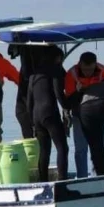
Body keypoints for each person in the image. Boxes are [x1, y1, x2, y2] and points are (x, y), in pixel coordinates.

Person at [64, 51, 104, 177]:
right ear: (80, 65)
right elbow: (68, 101)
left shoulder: (102, 70)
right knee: (80, 149)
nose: (88, 73)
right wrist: (78, 92)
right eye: (85, 70)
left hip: (97, 115)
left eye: (90, 69)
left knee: (98, 146)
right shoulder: (71, 74)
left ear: (95, 64)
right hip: (79, 115)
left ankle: (99, 175)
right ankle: (82, 177)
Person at [27, 46, 69, 181]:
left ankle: (43, 182)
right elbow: (58, 93)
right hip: (50, 112)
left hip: (36, 115)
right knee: (62, 148)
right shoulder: (56, 70)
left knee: (44, 151)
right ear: (57, 58)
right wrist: (67, 107)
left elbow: (29, 101)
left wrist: (32, 122)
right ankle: (62, 181)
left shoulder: (34, 75)